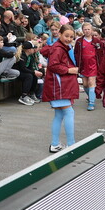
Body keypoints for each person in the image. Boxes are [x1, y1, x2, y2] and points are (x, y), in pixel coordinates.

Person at [41, 24, 79, 153]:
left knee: (59, 115)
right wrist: (70, 70)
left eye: (71, 37)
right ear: (60, 34)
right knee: (69, 113)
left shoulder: (61, 46)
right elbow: (53, 65)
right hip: (59, 85)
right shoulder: (59, 48)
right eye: (66, 36)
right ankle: (71, 144)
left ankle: (55, 144)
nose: (69, 38)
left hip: (57, 85)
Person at [74, 22, 105, 111]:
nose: (87, 31)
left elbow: (101, 53)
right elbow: (76, 53)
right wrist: (77, 64)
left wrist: (101, 65)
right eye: (85, 29)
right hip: (83, 65)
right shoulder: (79, 41)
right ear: (82, 30)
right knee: (85, 84)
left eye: (89, 29)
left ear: (91, 30)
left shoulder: (97, 41)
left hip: (94, 65)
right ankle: (90, 96)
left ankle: (91, 102)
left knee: (91, 82)